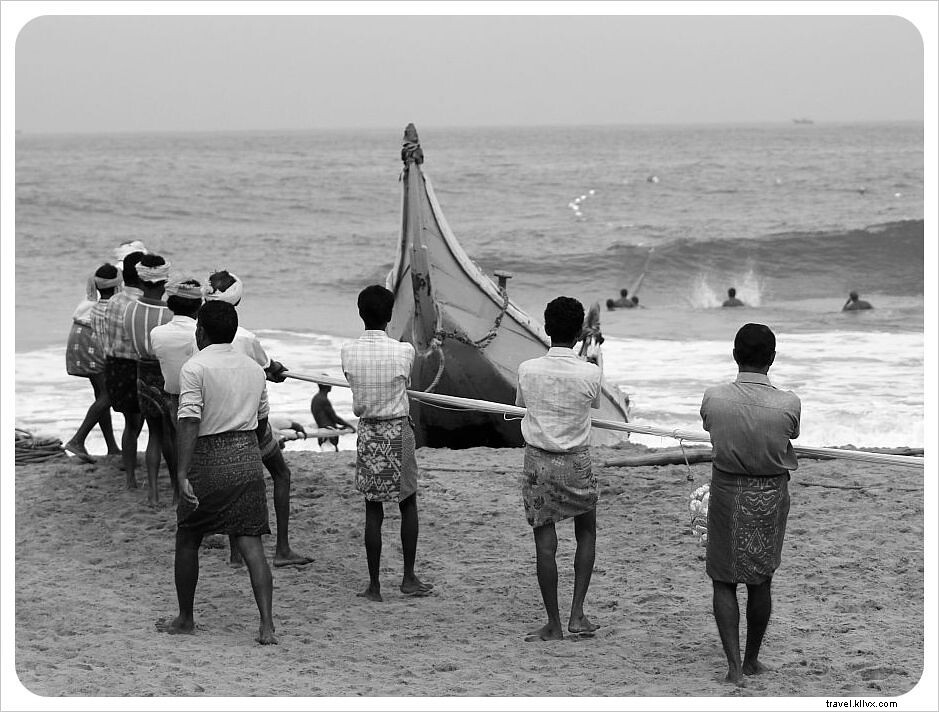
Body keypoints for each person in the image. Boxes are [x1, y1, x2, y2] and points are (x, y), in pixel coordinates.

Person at [156, 300, 277, 645]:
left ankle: (185, 619)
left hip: (209, 459)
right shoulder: (254, 368)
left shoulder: (194, 368)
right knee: (251, 542)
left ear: (200, 331)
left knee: (188, 537)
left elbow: (190, 420)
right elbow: (262, 418)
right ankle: (266, 625)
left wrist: (181, 472)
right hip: (247, 457)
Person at [700, 323, 801, 684]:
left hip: (728, 489)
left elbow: (710, 429)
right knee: (761, 580)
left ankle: (733, 667)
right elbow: (791, 434)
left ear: (734, 355)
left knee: (723, 579)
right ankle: (752, 660)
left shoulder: (714, 398)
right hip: (771, 493)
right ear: (772, 359)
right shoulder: (788, 403)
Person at [204, 270, 312, 568]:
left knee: (233, 482)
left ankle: (235, 553)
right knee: (281, 475)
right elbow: (268, 368)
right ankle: (282, 549)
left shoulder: (199, 333)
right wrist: (276, 369)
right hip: (253, 422)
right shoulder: (247, 338)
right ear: (237, 299)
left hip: (218, 421)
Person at [515, 296, 602, 642]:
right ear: (581, 331)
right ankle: (577, 613)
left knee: (545, 544)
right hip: (576, 461)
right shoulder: (590, 372)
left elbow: (520, 405)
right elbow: (591, 404)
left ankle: (553, 622)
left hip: (539, 462)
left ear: (546, 329)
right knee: (586, 531)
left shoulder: (527, 369)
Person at [340, 285, 433, 602]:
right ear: (390, 315)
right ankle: (408, 577)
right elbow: (404, 381)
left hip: (369, 432)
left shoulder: (348, 352)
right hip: (397, 431)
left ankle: (374, 585)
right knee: (407, 502)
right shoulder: (404, 351)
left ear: (360, 313)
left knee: (373, 507)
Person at [123, 254, 175, 506]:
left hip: (141, 371)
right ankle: (177, 491)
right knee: (172, 435)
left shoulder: (129, 309)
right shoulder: (170, 314)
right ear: (164, 283)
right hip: (166, 373)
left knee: (153, 433)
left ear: (141, 282)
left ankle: (153, 493)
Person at [150, 276, 203, 502]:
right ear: (199, 305)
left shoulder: (157, 333)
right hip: (202, 397)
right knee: (201, 452)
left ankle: (182, 493)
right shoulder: (200, 333)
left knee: (185, 450)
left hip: (174, 400)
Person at [64, 264, 123, 463]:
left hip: (79, 341)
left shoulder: (88, 304)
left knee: (101, 395)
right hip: (93, 344)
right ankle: (78, 440)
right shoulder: (113, 307)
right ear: (118, 285)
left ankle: (112, 447)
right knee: (110, 395)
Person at [99, 251, 148, 488]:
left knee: (131, 423)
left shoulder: (114, 300)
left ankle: (130, 478)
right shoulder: (143, 303)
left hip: (115, 366)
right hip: (138, 365)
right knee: (156, 426)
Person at [311, 383, 355, 451]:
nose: (331, 385)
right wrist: (350, 426)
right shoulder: (323, 400)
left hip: (321, 432)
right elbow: (334, 418)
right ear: (326, 385)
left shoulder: (316, 398)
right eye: (329, 383)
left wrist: (339, 428)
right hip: (328, 434)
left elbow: (324, 419)